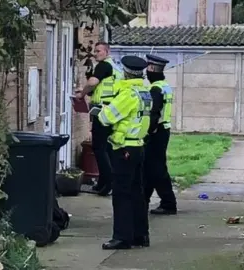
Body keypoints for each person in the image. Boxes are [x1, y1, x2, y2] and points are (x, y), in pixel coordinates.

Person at [97, 55, 150, 250]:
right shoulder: (144, 92)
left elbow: (107, 117)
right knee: (137, 192)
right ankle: (140, 235)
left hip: (124, 148)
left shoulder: (128, 94)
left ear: (126, 73)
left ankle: (122, 237)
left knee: (121, 194)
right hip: (138, 146)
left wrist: (100, 110)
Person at [75, 42, 123, 196]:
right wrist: (89, 93)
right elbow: (102, 88)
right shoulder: (115, 66)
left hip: (102, 111)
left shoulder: (103, 66)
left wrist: (82, 94)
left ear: (107, 51)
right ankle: (103, 182)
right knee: (107, 148)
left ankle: (108, 183)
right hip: (112, 110)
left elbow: (93, 82)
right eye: (95, 51)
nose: (96, 54)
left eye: (99, 51)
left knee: (99, 147)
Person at [143, 54, 178, 215]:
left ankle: (168, 203)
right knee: (151, 167)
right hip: (164, 130)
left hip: (157, 132)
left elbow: (154, 112)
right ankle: (144, 199)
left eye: (148, 69)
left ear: (151, 69)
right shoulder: (166, 86)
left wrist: (148, 131)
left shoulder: (155, 88)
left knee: (156, 168)